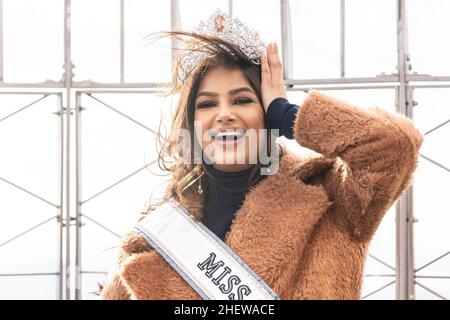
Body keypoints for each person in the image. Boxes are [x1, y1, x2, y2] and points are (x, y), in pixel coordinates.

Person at [100, 10, 423, 300]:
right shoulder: (157, 231)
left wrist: (287, 114)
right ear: (191, 124)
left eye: (242, 100)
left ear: (266, 114)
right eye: (207, 104)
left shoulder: (332, 196)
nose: (224, 114)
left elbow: (396, 145)